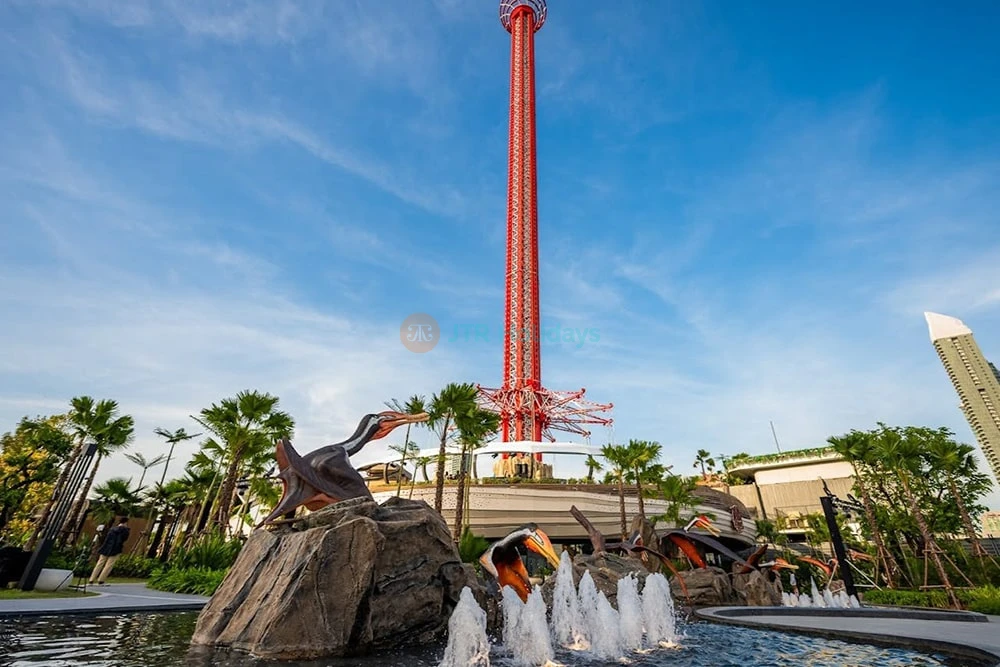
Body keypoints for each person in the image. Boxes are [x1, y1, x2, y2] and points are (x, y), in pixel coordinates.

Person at [89, 517, 130, 585]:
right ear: (125, 522)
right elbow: (124, 539)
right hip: (116, 549)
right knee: (109, 565)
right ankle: (101, 580)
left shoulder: (112, 529)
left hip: (106, 548)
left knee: (99, 563)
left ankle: (91, 579)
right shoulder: (125, 531)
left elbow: (106, 538)